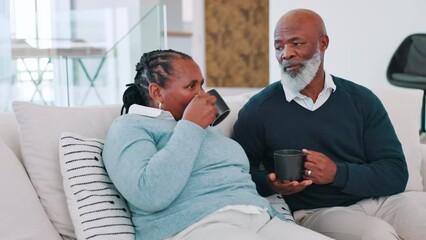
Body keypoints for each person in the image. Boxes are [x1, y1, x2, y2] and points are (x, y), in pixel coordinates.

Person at [232, 8, 426, 240]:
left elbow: (395, 173)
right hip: (319, 211)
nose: (286, 54)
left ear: (323, 43)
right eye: (279, 46)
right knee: (376, 234)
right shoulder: (258, 109)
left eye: (296, 43)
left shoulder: (361, 100)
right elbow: (238, 173)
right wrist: (273, 185)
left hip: (383, 200)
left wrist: (336, 173)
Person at [102, 49, 332, 240]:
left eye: (202, 85)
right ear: (156, 92)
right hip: (195, 227)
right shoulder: (130, 126)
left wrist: (278, 216)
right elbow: (149, 194)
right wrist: (190, 126)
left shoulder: (205, 129)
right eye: (191, 87)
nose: (202, 95)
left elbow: (236, 183)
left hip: (259, 219)